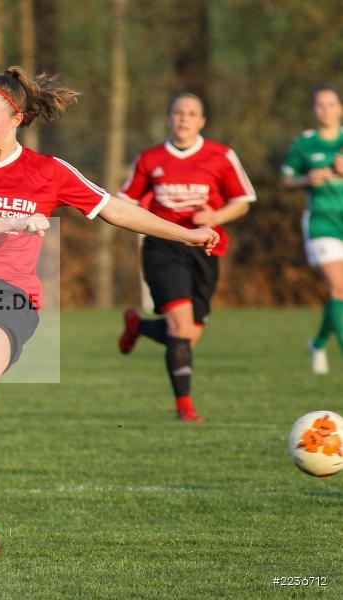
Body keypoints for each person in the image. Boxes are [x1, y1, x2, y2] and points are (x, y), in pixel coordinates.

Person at [0, 68, 219, 562]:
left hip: (10, 297)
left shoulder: (49, 170)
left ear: (16, 117)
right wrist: (16, 218)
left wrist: (185, 234)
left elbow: (117, 210)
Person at [117, 93, 256, 422]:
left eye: (191, 114)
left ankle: (138, 326)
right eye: (178, 113)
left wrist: (216, 215)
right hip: (163, 247)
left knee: (187, 335)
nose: (184, 119)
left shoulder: (220, 156)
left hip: (206, 248)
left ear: (201, 121)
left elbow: (243, 200)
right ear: (169, 118)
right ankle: (185, 408)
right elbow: (125, 200)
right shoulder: (150, 159)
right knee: (180, 325)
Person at [281, 84, 343, 374]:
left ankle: (317, 343)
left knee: (338, 294)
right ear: (313, 110)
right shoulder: (304, 145)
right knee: (338, 286)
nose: (326, 110)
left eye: (331, 105)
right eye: (320, 105)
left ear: (340, 108)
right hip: (321, 222)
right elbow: (285, 180)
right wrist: (308, 179)